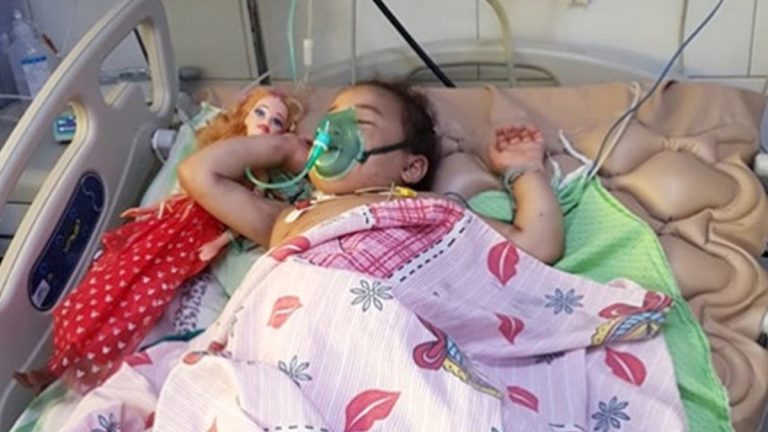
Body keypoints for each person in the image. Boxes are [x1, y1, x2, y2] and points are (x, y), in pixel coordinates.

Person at [14, 89, 305, 392]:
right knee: (108, 279)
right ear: (244, 113)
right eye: (260, 112)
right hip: (166, 225)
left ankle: (86, 366)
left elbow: (246, 215)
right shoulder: (221, 149)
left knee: (138, 297)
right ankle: (60, 359)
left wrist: (218, 243)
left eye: (277, 121)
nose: (266, 122)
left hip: (192, 237)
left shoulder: (257, 172)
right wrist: (152, 210)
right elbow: (184, 193)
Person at [180, 80, 564, 264]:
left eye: (360, 122)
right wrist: (284, 147)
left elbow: (538, 245)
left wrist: (524, 168)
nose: (334, 131)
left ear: (410, 166)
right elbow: (199, 172)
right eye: (331, 120)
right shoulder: (291, 218)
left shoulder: (431, 210)